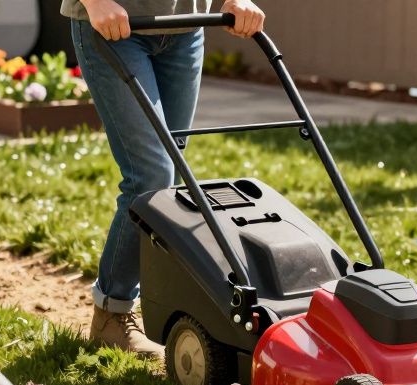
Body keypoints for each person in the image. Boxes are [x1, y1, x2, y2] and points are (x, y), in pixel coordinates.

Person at [62, 0, 266, 356]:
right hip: (113, 27)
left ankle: (164, 301)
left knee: (168, 176)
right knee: (151, 176)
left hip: (185, 30)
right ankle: (112, 312)